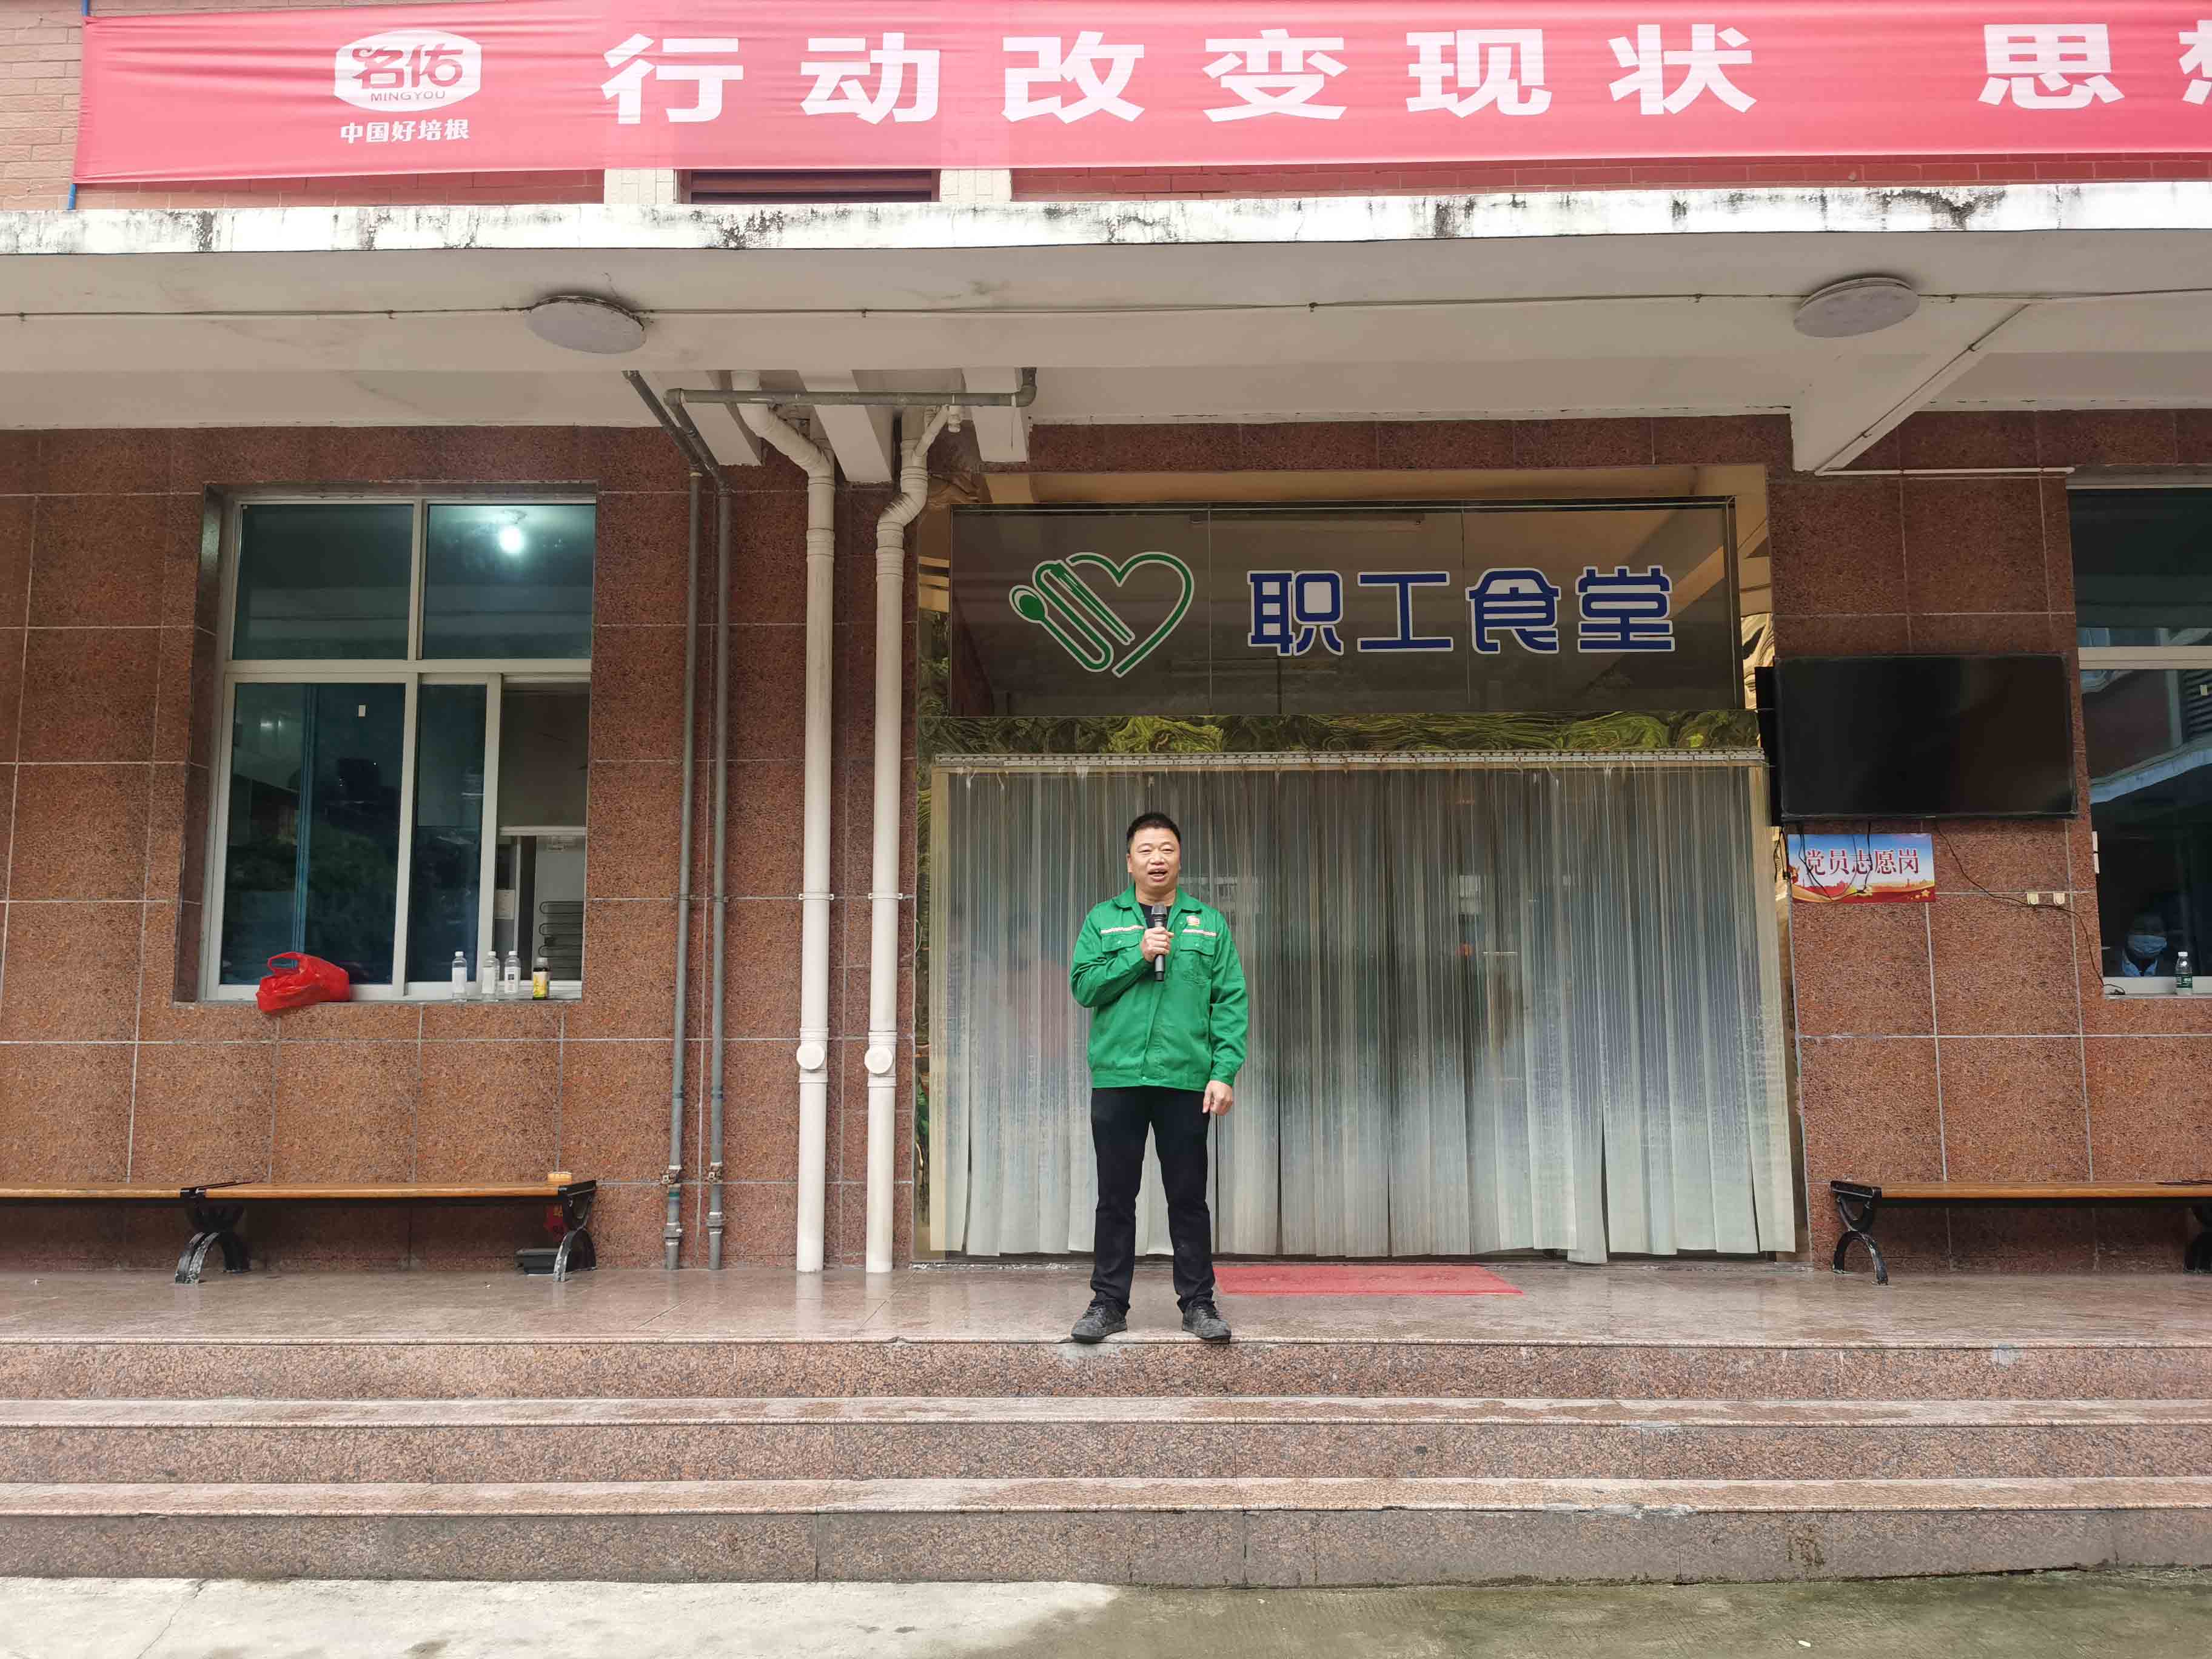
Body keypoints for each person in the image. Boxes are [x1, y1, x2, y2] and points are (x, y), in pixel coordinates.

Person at [1065, 811, 1248, 1345]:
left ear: (1179, 858)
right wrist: (1139, 955)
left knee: (1188, 1197)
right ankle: (1108, 1303)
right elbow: (1084, 987)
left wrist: (1224, 1072)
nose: (1157, 859)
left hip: (1185, 1079)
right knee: (1115, 1197)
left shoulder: (1209, 924)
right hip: (1119, 1076)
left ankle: (1199, 1304)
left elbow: (1230, 1001)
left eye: (1166, 848)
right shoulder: (1104, 920)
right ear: (1130, 862)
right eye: (1145, 850)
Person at [2117, 909, 2182, 977]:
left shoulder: (2177, 965)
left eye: (2156, 930)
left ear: (2166, 935)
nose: (2148, 934)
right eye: (2140, 929)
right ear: (2127, 933)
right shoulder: (2108, 963)